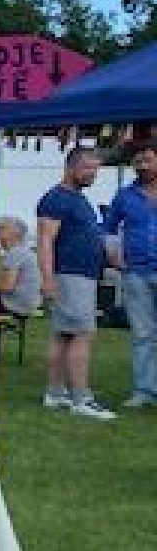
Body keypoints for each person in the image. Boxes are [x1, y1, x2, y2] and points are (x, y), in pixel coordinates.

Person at [38, 147, 115, 419]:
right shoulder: (57, 199)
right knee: (82, 334)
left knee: (63, 334)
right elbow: (45, 240)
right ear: (70, 167)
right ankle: (81, 399)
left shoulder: (77, 198)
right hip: (71, 275)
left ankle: (55, 393)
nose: (92, 175)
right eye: (87, 169)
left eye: (95, 169)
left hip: (79, 274)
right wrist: (47, 279)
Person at [105, 144, 157, 409]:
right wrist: (113, 254)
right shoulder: (124, 195)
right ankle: (144, 391)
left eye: (148, 160)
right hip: (136, 271)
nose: (142, 165)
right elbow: (109, 227)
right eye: (138, 161)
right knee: (143, 333)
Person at [0, 216, 43, 319]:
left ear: (16, 234)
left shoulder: (15, 253)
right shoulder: (26, 252)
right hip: (28, 304)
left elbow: (6, 287)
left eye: (1, 229)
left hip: (15, 305)